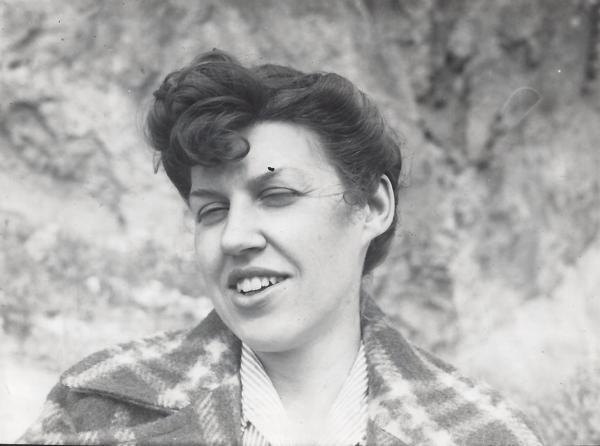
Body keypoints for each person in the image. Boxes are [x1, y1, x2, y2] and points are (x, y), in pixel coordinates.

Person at [18, 49, 543, 446]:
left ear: (372, 206)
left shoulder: (486, 434)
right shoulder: (93, 409)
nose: (235, 236)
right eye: (212, 210)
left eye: (277, 195)